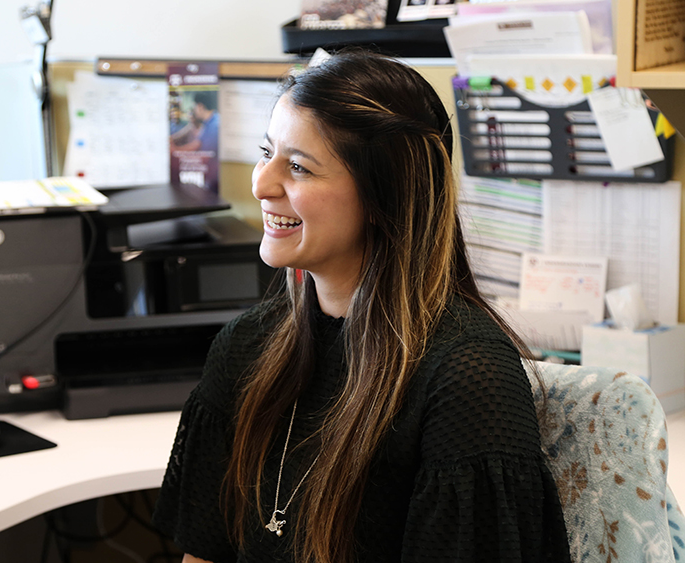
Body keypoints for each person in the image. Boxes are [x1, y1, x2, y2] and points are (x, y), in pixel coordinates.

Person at [152, 50, 571, 563]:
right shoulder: (245, 345)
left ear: (382, 196)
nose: (261, 183)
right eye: (268, 152)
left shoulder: (467, 378)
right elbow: (204, 553)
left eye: (299, 167)